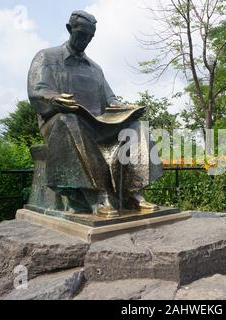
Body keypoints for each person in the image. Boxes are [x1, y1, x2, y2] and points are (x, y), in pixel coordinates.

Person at [27, 10, 161, 216]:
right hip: (60, 121)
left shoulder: (95, 68)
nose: (86, 40)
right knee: (70, 119)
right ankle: (98, 195)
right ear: (69, 29)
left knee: (137, 126)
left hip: (98, 124)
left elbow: (110, 99)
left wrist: (122, 108)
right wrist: (55, 100)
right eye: (82, 35)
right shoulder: (47, 57)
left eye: (90, 37)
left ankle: (133, 192)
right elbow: (37, 91)